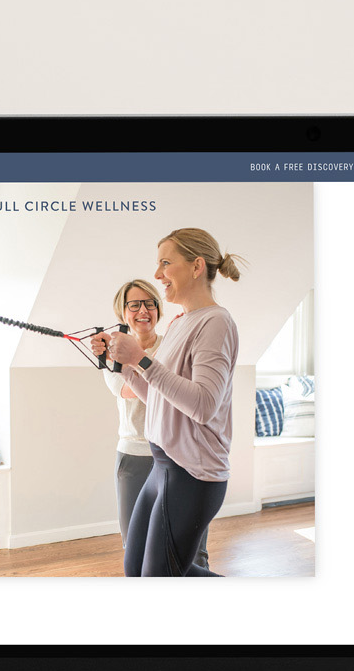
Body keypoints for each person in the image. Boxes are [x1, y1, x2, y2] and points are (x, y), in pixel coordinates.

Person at [91, 228, 244, 577]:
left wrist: (142, 360)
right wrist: (126, 364)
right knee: (137, 569)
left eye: (165, 263)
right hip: (163, 466)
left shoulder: (215, 322)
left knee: (159, 576)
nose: (158, 275)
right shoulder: (179, 322)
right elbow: (159, 398)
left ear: (195, 266)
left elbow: (204, 404)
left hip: (192, 472)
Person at [101, 278, 210, 574]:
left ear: (159, 309)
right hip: (134, 456)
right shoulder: (113, 352)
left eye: (149, 303)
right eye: (133, 304)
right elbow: (127, 389)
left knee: (191, 551)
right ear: (122, 312)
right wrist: (129, 358)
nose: (142, 310)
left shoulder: (174, 344)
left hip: (178, 454)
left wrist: (136, 359)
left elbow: (185, 394)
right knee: (136, 549)